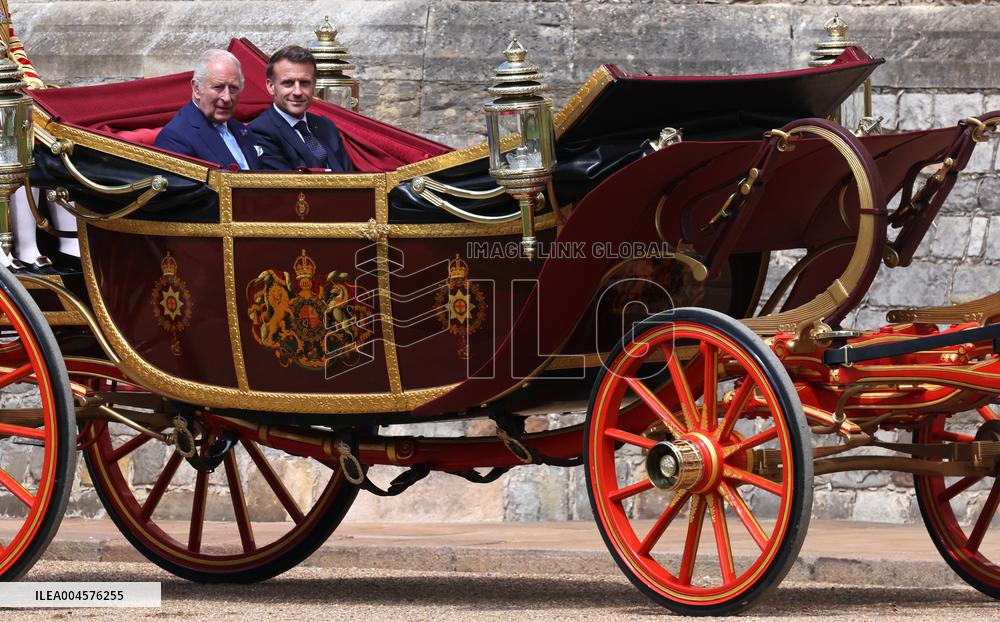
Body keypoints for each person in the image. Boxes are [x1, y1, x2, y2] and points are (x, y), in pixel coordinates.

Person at [250, 45, 352, 172]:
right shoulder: (260, 131)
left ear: (314, 85)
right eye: (288, 83)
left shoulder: (326, 126)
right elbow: (286, 185)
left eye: (304, 83)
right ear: (271, 86)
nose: (297, 92)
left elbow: (348, 174)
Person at [155, 49, 260, 170]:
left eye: (233, 88)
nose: (227, 98)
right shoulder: (175, 137)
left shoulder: (241, 129)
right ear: (196, 89)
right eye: (218, 87)